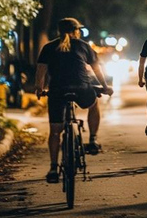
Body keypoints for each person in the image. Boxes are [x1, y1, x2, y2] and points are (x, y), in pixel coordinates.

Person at [35, 17, 113, 184]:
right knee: (93, 104)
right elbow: (96, 69)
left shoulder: (48, 47)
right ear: (76, 31)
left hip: (57, 91)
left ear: (59, 31)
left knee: (55, 131)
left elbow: (41, 70)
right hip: (81, 89)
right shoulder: (84, 46)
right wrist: (105, 87)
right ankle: (92, 139)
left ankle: (54, 168)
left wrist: (39, 89)